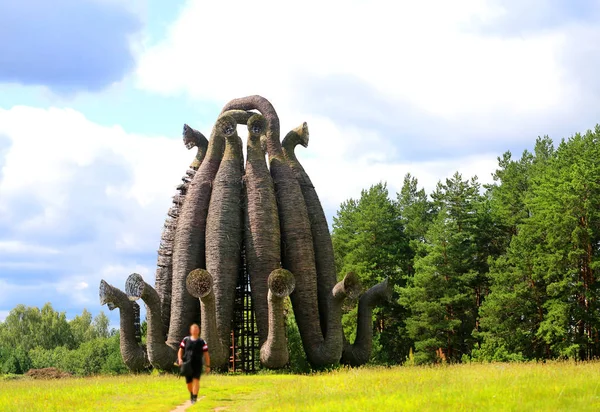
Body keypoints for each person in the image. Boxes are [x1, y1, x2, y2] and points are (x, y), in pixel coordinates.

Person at [178, 324, 210, 404]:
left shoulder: (202, 342)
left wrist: (208, 366)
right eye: (193, 329)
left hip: (197, 364)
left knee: (196, 380)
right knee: (189, 383)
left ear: (198, 331)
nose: (195, 331)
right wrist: (180, 359)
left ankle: (194, 398)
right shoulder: (185, 340)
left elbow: (206, 354)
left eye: (197, 329)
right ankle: (192, 393)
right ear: (191, 331)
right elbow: (180, 350)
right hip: (187, 364)